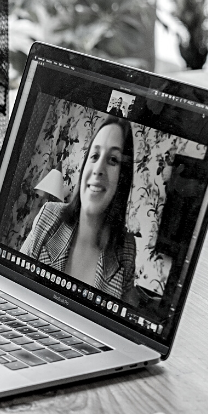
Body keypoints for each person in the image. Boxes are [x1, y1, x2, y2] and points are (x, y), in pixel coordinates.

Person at [20, 116, 137, 298]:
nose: (98, 169)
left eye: (113, 159)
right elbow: (13, 281)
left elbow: (124, 318)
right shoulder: (48, 216)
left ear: (122, 178)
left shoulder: (126, 249)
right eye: (95, 156)